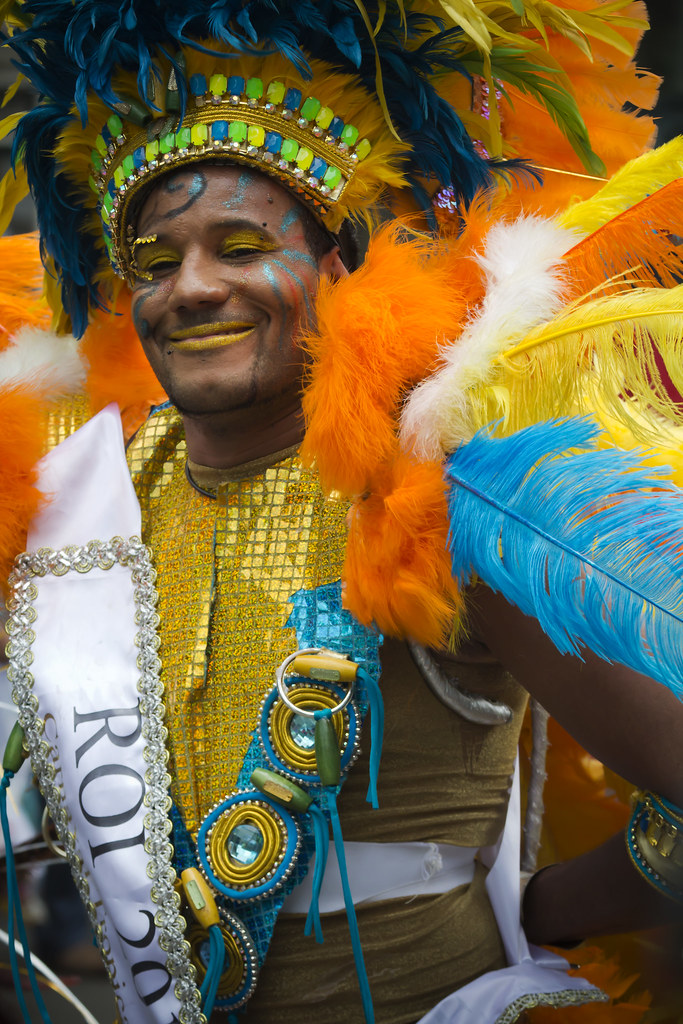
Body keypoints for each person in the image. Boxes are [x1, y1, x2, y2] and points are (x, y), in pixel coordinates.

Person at [1, 2, 683, 1022]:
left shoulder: (430, 492)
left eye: (238, 243)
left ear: (336, 268)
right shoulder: (69, 508)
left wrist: (543, 908)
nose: (190, 287)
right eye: (153, 260)